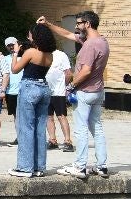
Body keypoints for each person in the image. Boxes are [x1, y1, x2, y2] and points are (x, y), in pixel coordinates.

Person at [44, 11, 110, 178]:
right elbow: (67, 34)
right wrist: (48, 24)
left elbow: (86, 71)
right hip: (98, 91)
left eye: (79, 23)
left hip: (85, 92)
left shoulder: (89, 45)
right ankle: (102, 166)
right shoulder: (102, 41)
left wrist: (71, 86)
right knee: (97, 129)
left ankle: (80, 167)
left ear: (87, 24)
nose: (76, 26)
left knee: (81, 130)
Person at [9, 24, 56, 178]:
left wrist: (16, 53)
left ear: (36, 36)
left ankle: (24, 167)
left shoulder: (30, 52)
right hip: (44, 88)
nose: (29, 36)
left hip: (29, 87)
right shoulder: (50, 55)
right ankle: (38, 167)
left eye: (30, 34)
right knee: (40, 128)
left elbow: (15, 69)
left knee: (25, 127)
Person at [45, 46, 73, 153]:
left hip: (59, 92)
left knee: (61, 116)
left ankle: (68, 141)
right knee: (48, 116)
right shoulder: (42, 54)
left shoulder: (61, 54)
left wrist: (63, 86)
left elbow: (68, 73)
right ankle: (52, 140)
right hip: (46, 91)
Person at [2, 36, 24, 145]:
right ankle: (19, 137)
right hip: (10, 91)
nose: (11, 47)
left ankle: (27, 137)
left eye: (13, 45)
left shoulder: (25, 56)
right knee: (16, 116)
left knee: (25, 115)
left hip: (23, 90)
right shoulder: (4, 58)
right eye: (9, 45)